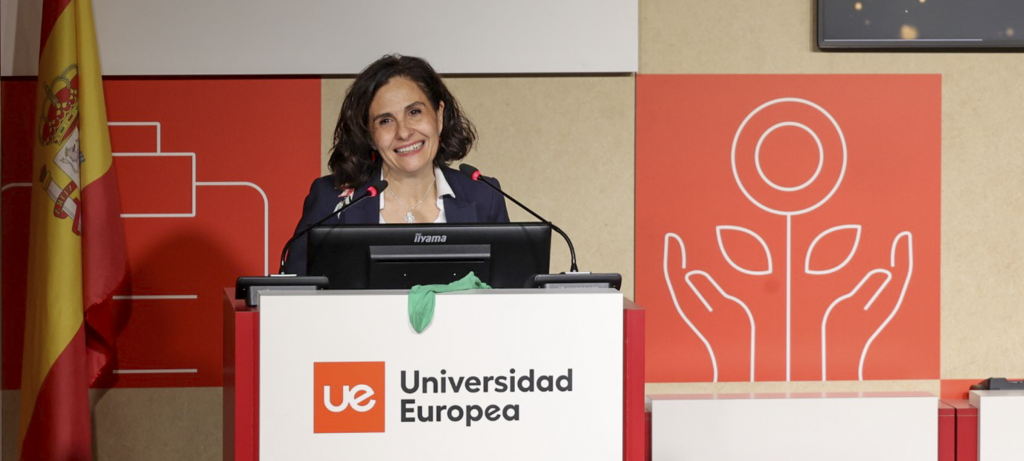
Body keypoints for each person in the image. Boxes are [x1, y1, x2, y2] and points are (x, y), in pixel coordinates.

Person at [283, 54, 510, 275]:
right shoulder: (331, 200)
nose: (403, 132)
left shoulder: (484, 196)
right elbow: (293, 292)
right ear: (369, 135)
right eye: (386, 121)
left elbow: (509, 289)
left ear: (439, 116)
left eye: (414, 112)